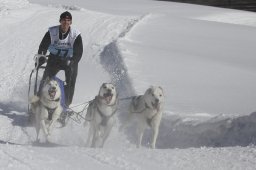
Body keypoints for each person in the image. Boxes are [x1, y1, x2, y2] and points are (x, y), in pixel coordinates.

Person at [37, 11, 83, 107]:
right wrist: (41, 57)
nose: (65, 23)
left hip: (70, 60)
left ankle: (65, 106)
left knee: (70, 83)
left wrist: (73, 61)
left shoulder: (75, 34)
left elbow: (79, 52)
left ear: (71, 22)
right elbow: (43, 46)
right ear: (60, 21)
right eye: (63, 20)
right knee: (46, 80)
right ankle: (38, 102)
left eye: (68, 20)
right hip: (54, 59)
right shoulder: (51, 32)